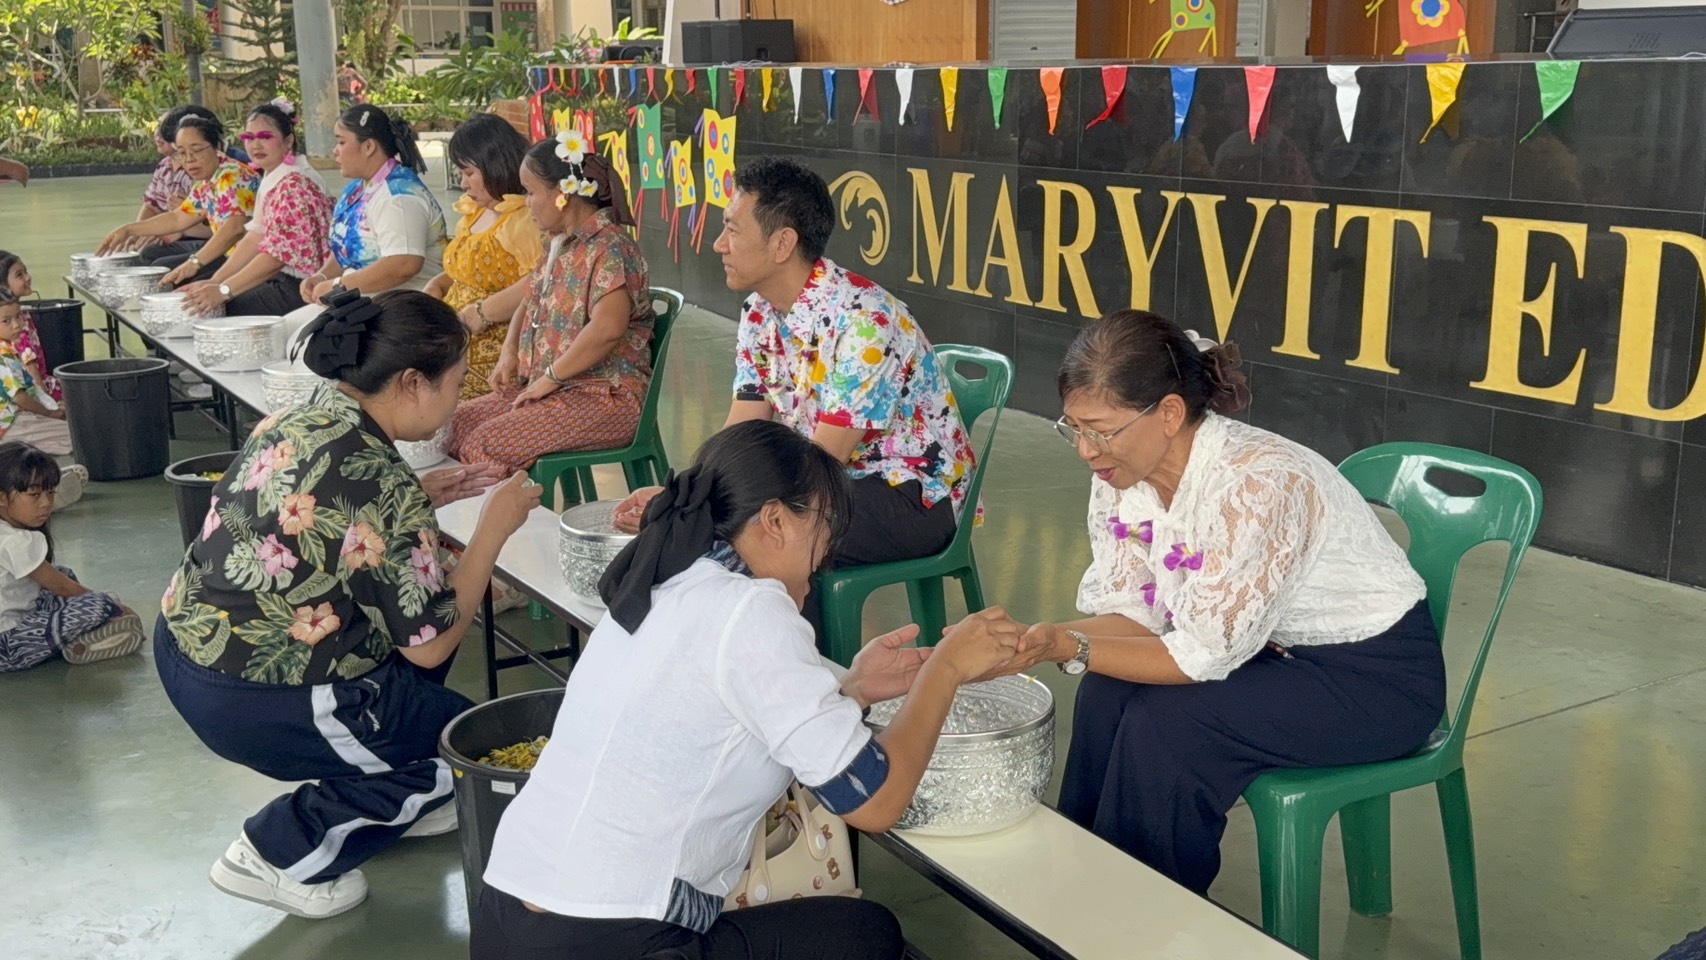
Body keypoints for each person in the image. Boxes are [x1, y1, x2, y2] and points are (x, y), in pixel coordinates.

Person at [474, 419, 1022, 960]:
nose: (828, 552)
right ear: (776, 520)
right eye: (826, 527)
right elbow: (876, 802)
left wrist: (852, 690)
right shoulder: (751, 608)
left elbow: (727, 714)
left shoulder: (668, 580)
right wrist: (946, 669)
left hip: (506, 917)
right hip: (612, 937)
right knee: (866, 934)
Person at [995, 310, 1445, 896]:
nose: (1085, 450)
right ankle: (1086, 885)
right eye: (1073, 428)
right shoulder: (1123, 470)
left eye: (1099, 430)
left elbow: (1198, 656)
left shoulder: (1257, 483)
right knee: (1108, 689)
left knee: (1171, 726)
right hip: (1271, 653)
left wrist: (1066, 646)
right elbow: (1137, 615)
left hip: (1374, 681)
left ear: (1169, 413)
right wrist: (1028, 641)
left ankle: (1146, 913)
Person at [154, 289, 539, 919]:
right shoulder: (382, 484)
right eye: (455, 383)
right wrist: (492, 529)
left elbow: (322, 513)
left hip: (187, 652)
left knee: (423, 705)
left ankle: (379, 785)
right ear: (412, 382)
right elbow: (433, 645)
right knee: (468, 759)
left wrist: (419, 495)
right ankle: (276, 850)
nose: (457, 400)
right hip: (255, 698)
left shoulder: (303, 414)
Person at [613, 156, 979, 628]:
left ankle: (795, 664)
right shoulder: (759, 312)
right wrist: (683, 494)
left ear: (783, 243)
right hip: (833, 482)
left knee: (769, 534)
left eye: (732, 230)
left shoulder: (865, 322)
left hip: (913, 498)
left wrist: (708, 509)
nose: (719, 244)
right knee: (724, 525)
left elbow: (822, 465)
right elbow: (743, 429)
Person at [449, 130, 651, 474]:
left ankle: (510, 511)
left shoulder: (610, 246)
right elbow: (529, 299)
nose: (525, 202)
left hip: (606, 398)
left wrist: (551, 378)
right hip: (557, 389)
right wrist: (510, 350)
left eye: (530, 192)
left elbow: (608, 328)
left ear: (562, 195)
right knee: (453, 427)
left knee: (482, 445)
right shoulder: (558, 242)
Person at [424, 113, 544, 400]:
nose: (463, 183)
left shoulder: (524, 220)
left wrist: (479, 314)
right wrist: (437, 285)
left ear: (495, 165)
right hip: (458, 336)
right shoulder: (475, 213)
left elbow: (541, 280)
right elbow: (469, 272)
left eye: (469, 173)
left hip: (495, 349)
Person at [180, 100, 335, 317]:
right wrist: (216, 281)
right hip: (284, 277)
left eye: (265, 137)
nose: (255, 145)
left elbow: (276, 257)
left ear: (289, 140)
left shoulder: (295, 184)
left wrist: (223, 290)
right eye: (249, 138)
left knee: (216, 311)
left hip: (304, 287)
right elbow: (255, 237)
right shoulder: (275, 174)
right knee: (202, 298)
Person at [0, 443, 142, 672]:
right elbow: (63, 588)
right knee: (98, 603)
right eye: (34, 495)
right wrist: (117, 608)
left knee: (62, 573)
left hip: (18, 619)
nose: (46, 503)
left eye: (50, 493)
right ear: (2, 498)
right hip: (8, 646)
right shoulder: (14, 542)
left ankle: (77, 636)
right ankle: (79, 641)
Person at [296, 105, 446, 310]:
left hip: (400, 311)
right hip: (364, 305)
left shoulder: (398, 197)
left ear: (368, 147)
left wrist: (337, 286)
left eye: (341, 142)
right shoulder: (359, 188)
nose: (335, 150)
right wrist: (322, 276)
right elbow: (348, 248)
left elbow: (404, 263)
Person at [97, 114, 258, 284]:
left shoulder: (232, 175)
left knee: (170, 276)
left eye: (196, 150)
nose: (189, 159)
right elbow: (177, 218)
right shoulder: (207, 180)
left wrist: (193, 263)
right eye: (182, 153)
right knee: (157, 262)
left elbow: (234, 229)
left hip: (246, 258)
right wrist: (129, 230)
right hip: (229, 253)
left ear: (216, 146)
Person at [131, 106, 212, 250]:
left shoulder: (202, 170)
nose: (159, 134)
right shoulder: (164, 166)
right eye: (159, 127)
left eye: (166, 129)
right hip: (170, 231)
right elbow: (151, 206)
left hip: (198, 237)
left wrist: (183, 224)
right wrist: (137, 234)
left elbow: (218, 223)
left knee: (153, 254)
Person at [0, 251, 63, 404]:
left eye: (26, 271)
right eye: (19, 275)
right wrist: (47, 405)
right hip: (37, 388)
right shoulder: (18, 324)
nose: (28, 277)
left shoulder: (20, 315)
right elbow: (31, 368)